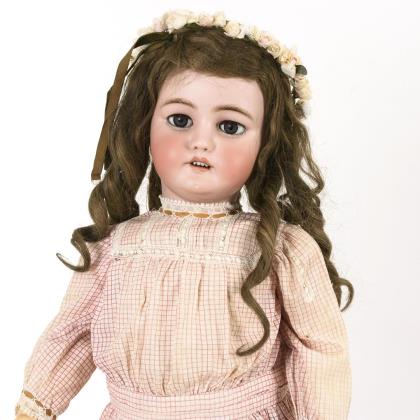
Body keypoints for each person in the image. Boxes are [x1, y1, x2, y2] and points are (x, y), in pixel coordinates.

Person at [15, 9, 354, 420]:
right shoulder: (114, 247)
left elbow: (318, 348)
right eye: (180, 120)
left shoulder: (282, 248)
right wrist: (37, 403)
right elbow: (72, 332)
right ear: (145, 125)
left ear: (265, 142)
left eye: (229, 126)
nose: (200, 141)